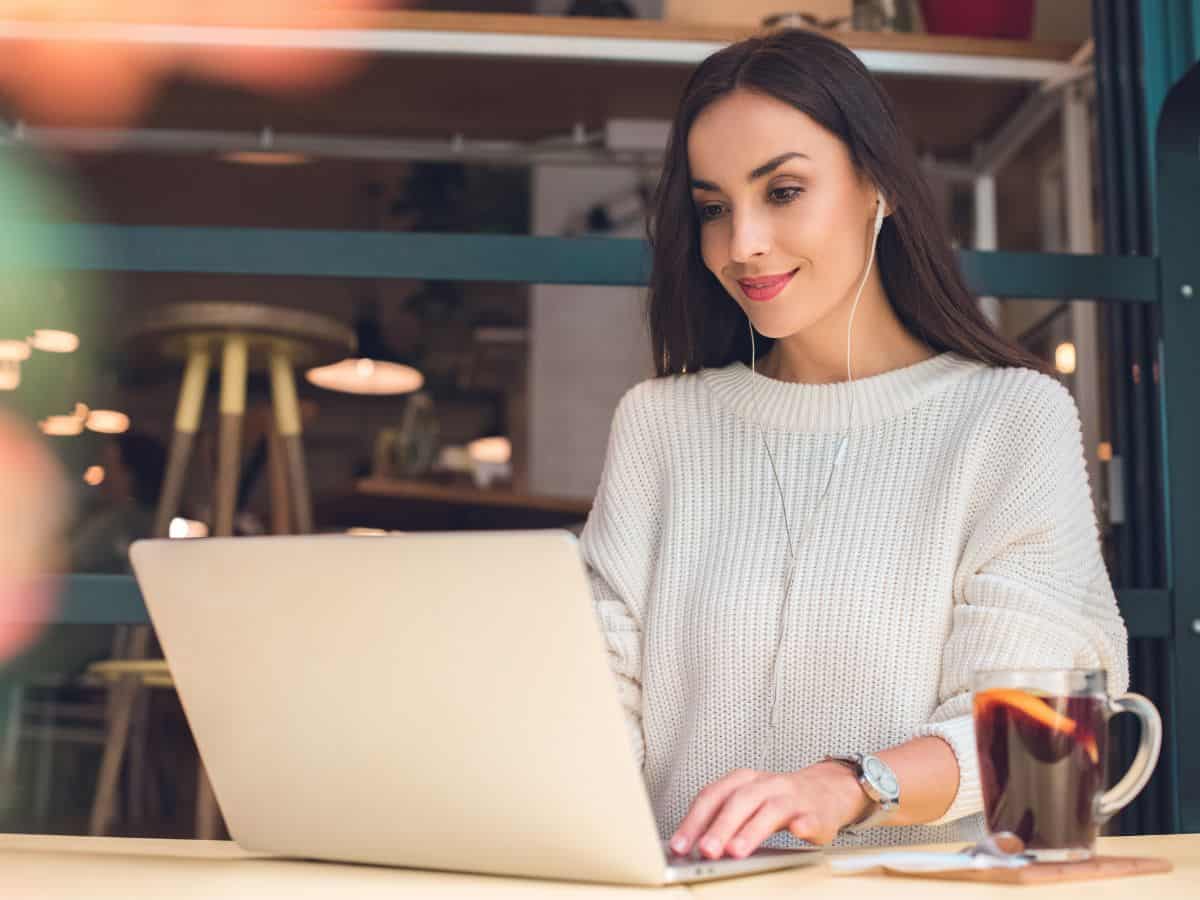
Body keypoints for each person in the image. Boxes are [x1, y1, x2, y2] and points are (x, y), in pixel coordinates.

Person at [581, 28, 1128, 860]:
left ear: (879, 186)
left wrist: (843, 786)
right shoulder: (660, 426)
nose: (743, 244)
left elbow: (1036, 730)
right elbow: (594, 698)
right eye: (714, 208)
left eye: (785, 190)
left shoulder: (1010, 418)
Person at [70, 431, 167, 574]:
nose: (103, 481)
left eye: (109, 469)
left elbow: (66, 561)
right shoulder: (98, 517)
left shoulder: (118, 523)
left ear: (131, 475)